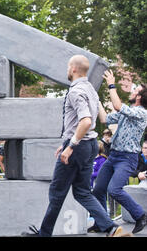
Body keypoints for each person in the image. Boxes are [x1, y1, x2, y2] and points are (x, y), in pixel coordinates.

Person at [23, 55, 130, 237]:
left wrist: (71, 145)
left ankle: (44, 234)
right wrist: (65, 143)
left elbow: (86, 121)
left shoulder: (76, 91)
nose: (67, 70)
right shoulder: (91, 90)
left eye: (67, 67)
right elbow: (102, 119)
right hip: (90, 146)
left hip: (78, 147)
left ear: (73, 69)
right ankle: (111, 228)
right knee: (81, 192)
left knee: (57, 192)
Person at [94, 77, 147, 234]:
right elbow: (104, 119)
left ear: (139, 97)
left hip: (127, 158)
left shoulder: (142, 113)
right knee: (98, 190)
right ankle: (102, 222)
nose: (132, 91)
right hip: (114, 157)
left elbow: (117, 105)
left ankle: (140, 215)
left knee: (114, 189)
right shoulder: (127, 112)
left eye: (135, 90)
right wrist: (96, 99)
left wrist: (111, 84)